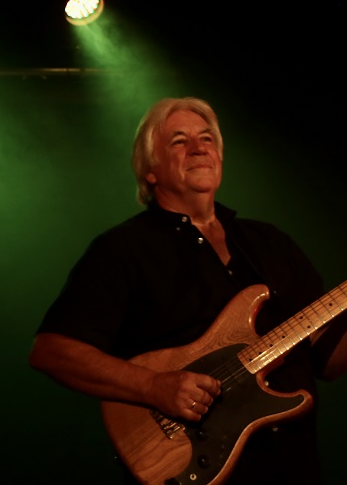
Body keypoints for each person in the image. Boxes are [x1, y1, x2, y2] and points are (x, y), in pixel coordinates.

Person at [29, 96, 346, 485]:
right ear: (150, 170)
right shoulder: (122, 250)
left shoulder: (270, 243)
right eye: (179, 141)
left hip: (293, 468)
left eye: (207, 138)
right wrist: (154, 386)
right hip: (193, 463)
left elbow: (328, 360)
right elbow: (52, 351)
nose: (199, 148)